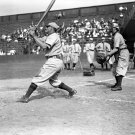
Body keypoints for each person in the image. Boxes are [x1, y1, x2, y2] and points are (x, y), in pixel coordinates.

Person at [18, 22, 77, 103]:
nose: (45, 28)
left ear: (52, 28)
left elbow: (44, 46)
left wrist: (34, 35)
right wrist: (33, 33)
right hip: (57, 61)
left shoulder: (53, 36)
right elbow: (37, 41)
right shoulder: (49, 36)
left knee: (37, 78)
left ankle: (26, 97)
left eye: (47, 26)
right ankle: (71, 90)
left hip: (53, 61)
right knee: (53, 81)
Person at [106, 23, 129, 91]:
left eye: (112, 28)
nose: (111, 29)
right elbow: (116, 49)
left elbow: (116, 48)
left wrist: (108, 54)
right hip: (119, 52)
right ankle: (117, 83)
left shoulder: (117, 36)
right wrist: (110, 56)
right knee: (114, 68)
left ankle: (119, 86)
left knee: (119, 68)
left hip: (123, 52)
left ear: (116, 28)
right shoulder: (115, 36)